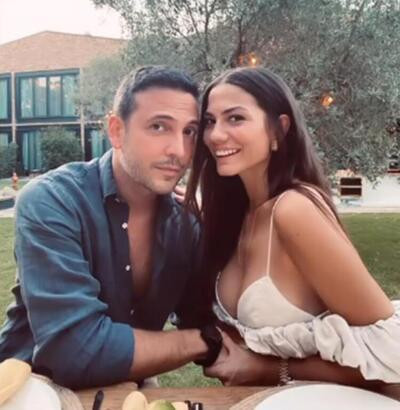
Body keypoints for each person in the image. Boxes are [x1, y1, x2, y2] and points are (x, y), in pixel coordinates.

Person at [0, 66, 218, 389]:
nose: (179, 151)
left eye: (189, 132)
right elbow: (73, 351)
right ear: (116, 130)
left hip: (130, 388)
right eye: (159, 127)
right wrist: (205, 342)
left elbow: (210, 316)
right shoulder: (53, 201)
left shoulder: (186, 224)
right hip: (31, 390)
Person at [185, 67, 400, 388]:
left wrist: (268, 369)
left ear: (279, 130)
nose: (215, 135)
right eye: (210, 121)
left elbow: (392, 351)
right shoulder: (238, 216)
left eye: (235, 118)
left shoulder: (293, 210)